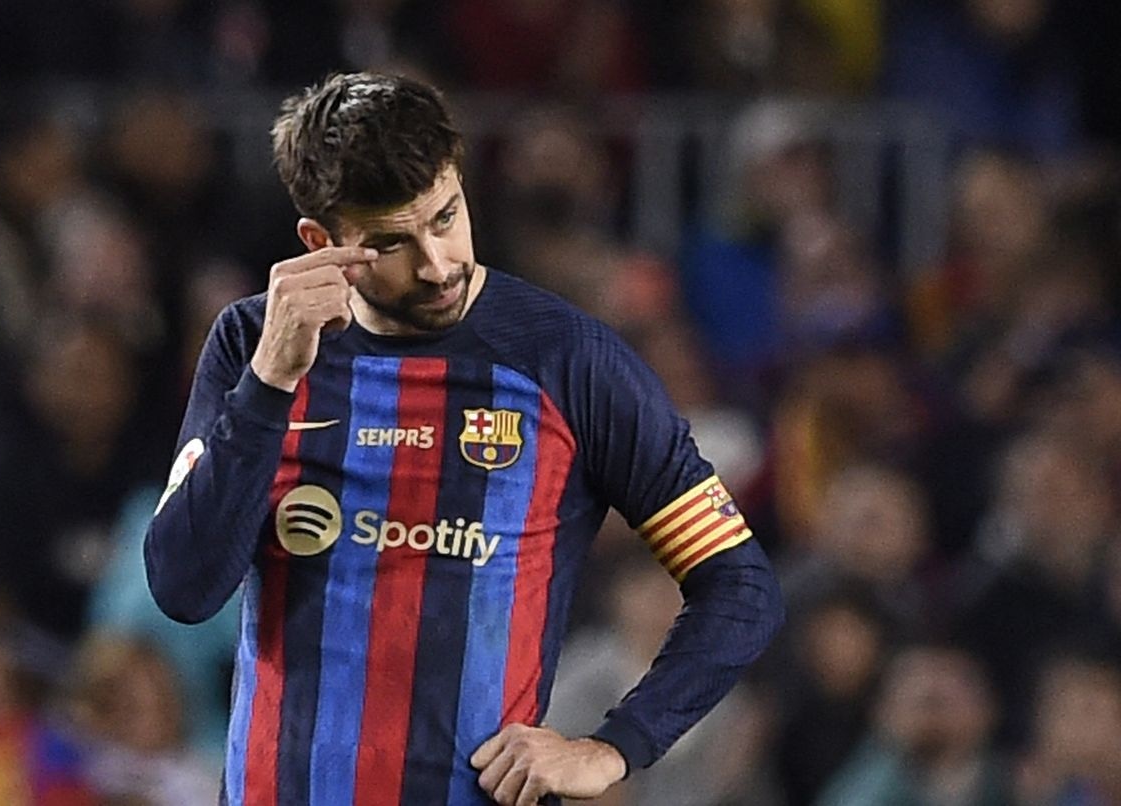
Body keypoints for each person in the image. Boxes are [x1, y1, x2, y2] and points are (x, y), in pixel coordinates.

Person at [144, 71, 784, 806]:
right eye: (391, 243)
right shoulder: (254, 346)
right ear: (322, 242)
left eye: (445, 216)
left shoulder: (567, 362)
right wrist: (269, 386)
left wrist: (614, 747)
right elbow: (184, 589)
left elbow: (741, 585)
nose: (438, 263)